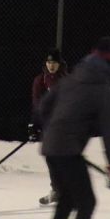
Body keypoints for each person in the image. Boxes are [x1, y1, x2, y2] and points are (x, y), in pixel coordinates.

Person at [36, 37, 110, 219]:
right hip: (66, 149)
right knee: (86, 201)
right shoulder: (105, 91)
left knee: (67, 199)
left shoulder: (69, 80)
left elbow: (44, 107)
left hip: (52, 147)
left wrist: (57, 129)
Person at [28, 48, 68, 206]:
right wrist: (33, 124)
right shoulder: (40, 80)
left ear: (60, 64)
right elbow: (37, 103)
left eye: (54, 63)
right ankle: (57, 190)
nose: (51, 65)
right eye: (49, 62)